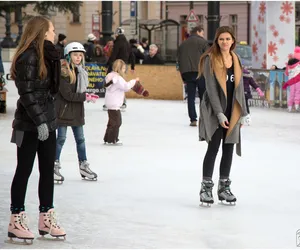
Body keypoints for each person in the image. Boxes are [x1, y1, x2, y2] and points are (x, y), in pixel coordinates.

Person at [8, 16, 66, 243]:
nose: (54, 33)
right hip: (27, 124)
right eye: (51, 30)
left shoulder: (48, 56)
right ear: (42, 32)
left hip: (47, 122)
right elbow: (27, 93)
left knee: (47, 170)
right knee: (24, 169)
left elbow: (49, 91)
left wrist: (47, 121)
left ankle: (46, 216)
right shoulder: (27, 57)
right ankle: (16, 218)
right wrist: (40, 121)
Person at [197, 26, 248, 206]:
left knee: (229, 149)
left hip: (232, 110)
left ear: (233, 41)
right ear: (217, 41)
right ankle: (206, 188)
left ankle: (224, 188)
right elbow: (210, 89)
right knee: (213, 148)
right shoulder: (210, 59)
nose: (225, 42)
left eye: (228, 39)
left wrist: (243, 113)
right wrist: (219, 114)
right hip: (214, 110)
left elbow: (240, 88)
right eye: (221, 39)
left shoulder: (236, 59)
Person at [54, 42, 99, 183]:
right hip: (63, 111)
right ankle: (53, 165)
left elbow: (78, 92)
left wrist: (87, 95)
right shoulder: (63, 72)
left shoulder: (81, 71)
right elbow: (67, 95)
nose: (78, 57)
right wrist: (85, 96)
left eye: (80, 55)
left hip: (77, 112)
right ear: (68, 56)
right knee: (60, 139)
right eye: (75, 55)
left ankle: (83, 165)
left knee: (80, 140)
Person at [103, 59, 149, 145]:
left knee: (111, 122)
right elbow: (126, 87)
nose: (125, 70)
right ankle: (112, 139)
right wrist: (134, 81)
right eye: (123, 68)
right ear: (119, 68)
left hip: (110, 102)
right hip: (114, 104)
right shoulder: (118, 78)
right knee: (117, 122)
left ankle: (107, 138)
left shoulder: (109, 75)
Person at [177, 25, 209, 126]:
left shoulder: (183, 44)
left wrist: (183, 75)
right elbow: (208, 57)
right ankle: (204, 118)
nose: (203, 35)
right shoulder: (203, 42)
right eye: (202, 33)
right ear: (198, 32)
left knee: (190, 97)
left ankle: (193, 119)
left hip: (187, 73)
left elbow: (179, 60)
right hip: (201, 72)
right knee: (203, 96)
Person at [105, 27, 135, 111]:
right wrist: (132, 66)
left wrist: (108, 65)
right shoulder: (127, 43)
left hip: (117, 65)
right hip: (124, 66)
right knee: (121, 83)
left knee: (113, 83)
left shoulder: (118, 43)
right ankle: (123, 102)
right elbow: (132, 55)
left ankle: (116, 102)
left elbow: (113, 55)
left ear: (117, 34)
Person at [283, 47, 300, 112]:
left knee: (292, 93)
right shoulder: (298, 65)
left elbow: (286, 73)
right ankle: (296, 105)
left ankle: (290, 106)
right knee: (298, 92)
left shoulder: (289, 65)